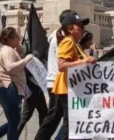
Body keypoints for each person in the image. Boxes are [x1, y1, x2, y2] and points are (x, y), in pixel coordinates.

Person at [34, 11, 95, 140]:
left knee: (59, 120)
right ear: (70, 29)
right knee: (68, 123)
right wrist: (85, 61)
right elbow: (62, 65)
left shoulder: (73, 43)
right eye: (80, 26)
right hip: (66, 88)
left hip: (67, 87)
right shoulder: (68, 42)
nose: (83, 29)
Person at [0, 27, 34, 140]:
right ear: (10, 39)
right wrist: (25, 60)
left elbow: (22, 52)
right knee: (14, 122)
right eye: (17, 36)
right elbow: (9, 67)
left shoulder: (10, 49)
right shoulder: (7, 50)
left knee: (14, 121)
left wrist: (18, 47)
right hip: (9, 89)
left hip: (10, 89)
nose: (19, 38)